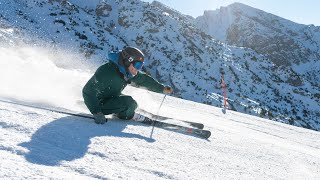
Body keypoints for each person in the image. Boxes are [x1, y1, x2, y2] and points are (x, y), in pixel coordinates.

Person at [82, 47, 173, 124]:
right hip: (99, 103)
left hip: (110, 97)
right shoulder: (107, 72)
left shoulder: (126, 72)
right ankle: (130, 114)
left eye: (140, 66)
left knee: (132, 103)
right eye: (137, 65)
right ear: (127, 61)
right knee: (128, 103)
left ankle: (127, 111)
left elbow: (144, 80)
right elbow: (88, 91)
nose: (137, 69)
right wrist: (96, 112)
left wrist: (162, 88)